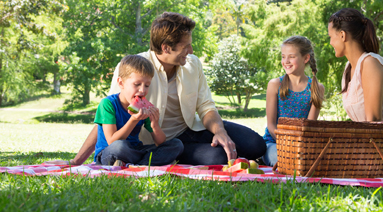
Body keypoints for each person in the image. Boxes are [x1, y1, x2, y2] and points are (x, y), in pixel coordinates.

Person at [53, 12, 266, 166]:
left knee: (256, 145)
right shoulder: (133, 69)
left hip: (193, 128)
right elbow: (109, 116)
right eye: (185, 46)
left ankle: (190, 151)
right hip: (158, 141)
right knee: (216, 158)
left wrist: (220, 132)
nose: (191, 51)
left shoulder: (193, 64)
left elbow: (205, 106)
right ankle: (165, 157)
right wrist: (77, 160)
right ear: (165, 47)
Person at [327, 8, 383, 171]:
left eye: (331, 37)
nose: (330, 42)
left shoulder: (370, 64)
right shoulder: (349, 68)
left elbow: (373, 123)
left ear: (342, 35)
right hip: (368, 147)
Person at [94, 55, 184, 166]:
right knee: (119, 147)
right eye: (137, 84)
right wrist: (133, 120)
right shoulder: (108, 104)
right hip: (108, 153)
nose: (142, 90)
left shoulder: (143, 107)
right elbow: (112, 141)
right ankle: (149, 162)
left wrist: (155, 125)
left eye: (147, 85)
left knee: (176, 144)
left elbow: (160, 142)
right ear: (121, 83)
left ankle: (135, 164)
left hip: (135, 150)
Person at [262, 36, 325, 167]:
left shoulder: (316, 88)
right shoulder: (275, 85)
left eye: (291, 57)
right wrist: (287, 145)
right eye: (283, 56)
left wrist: (299, 146)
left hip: (302, 146)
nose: (286, 61)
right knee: (283, 160)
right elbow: (271, 125)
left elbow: (310, 127)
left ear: (306, 58)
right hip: (275, 143)